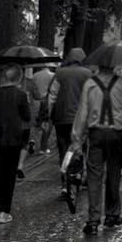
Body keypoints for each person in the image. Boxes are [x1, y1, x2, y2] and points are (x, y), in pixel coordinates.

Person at [70, 64, 122, 234]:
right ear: (114, 64)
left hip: (96, 134)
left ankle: (93, 221)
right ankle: (112, 215)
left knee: (94, 175)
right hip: (117, 134)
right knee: (114, 173)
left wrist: (77, 141)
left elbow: (82, 114)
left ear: (98, 65)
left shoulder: (90, 84)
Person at [0, 64, 32, 224]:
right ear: (19, 78)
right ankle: (4, 212)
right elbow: (27, 117)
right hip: (13, 139)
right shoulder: (20, 95)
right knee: (9, 176)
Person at [47, 47, 91, 197]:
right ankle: (80, 176)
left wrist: (49, 115)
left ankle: (64, 185)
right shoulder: (87, 73)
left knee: (63, 149)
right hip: (81, 119)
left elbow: (52, 96)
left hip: (61, 118)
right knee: (81, 148)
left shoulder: (59, 73)